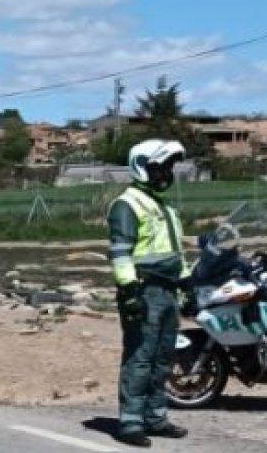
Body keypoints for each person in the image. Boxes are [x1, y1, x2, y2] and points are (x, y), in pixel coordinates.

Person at [108, 139, 192, 448]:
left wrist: (187, 283)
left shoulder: (164, 206)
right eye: (161, 167)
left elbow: (174, 251)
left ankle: (155, 417)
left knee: (163, 358)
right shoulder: (127, 204)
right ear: (141, 167)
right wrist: (128, 292)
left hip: (167, 291)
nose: (167, 173)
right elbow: (120, 252)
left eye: (169, 167)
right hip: (143, 290)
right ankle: (130, 421)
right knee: (140, 357)